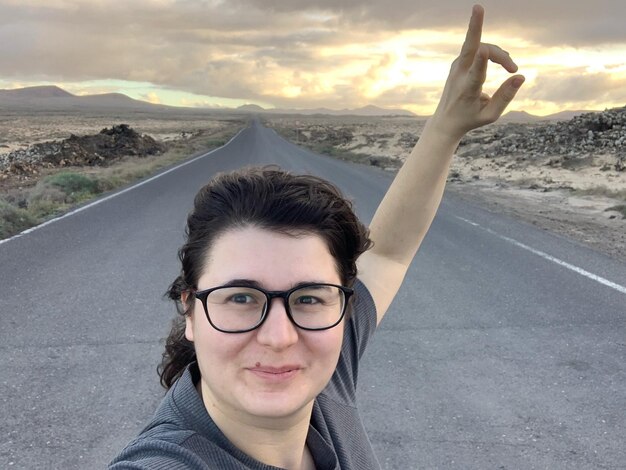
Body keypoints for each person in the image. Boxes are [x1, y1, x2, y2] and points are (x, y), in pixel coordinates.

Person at [110, 5, 524, 469]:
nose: (280, 336)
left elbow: (386, 253)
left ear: (344, 309)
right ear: (190, 310)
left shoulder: (325, 372)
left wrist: (447, 127)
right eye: (241, 298)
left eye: (308, 298)